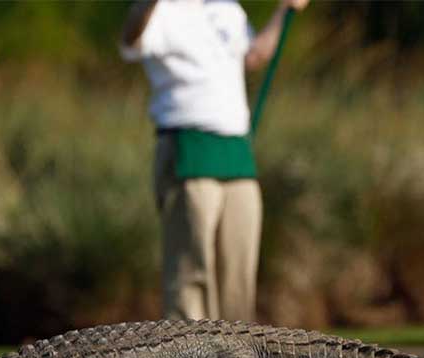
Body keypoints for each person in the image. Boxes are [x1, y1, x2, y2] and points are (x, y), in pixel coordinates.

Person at [121, 0, 308, 322]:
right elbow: (131, 40)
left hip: (236, 153)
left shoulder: (227, 11)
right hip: (187, 147)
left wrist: (283, 11)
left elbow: (255, 55)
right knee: (190, 272)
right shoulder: (160, 11)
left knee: (238, 272)